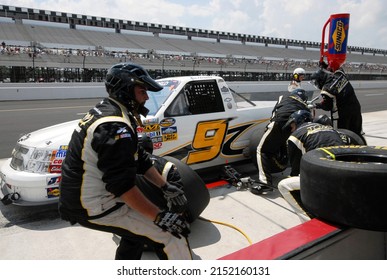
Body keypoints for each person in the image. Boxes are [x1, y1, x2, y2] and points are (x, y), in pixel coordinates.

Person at [58, 62, 192, 260]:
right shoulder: (114, 126)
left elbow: (139, 159)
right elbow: (122, 187)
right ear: (126, 90)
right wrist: (159, 216)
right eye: (142, 90)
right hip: (90, 203)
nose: (146, 96)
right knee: (172, 236)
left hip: (84, 197)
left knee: (136, 234)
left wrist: (165, 186)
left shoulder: (109, 110)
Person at [277, 110, 346, 221]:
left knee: (284, 186)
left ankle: (309, 220)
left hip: (328, 179)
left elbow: (296, 169)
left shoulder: (295, 137)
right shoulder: (329, 129)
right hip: (346, 173)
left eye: (292, 125)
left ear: (299, 121)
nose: (291, 129)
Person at [252, 88, 311, 195]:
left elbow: (275, 112)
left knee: (262, 150)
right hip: (296, 128)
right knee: (298, 152)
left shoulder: (283, 97)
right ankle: (296, 178)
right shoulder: (306, 107)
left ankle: (265, 182)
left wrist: (269, 126)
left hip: (280, 122)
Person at [310, 66, 363, 139]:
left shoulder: (326, 90)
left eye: (316, 83)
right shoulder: (340, 75)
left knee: (340, 135)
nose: (316, 85)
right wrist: (326, 65)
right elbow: (338, 68)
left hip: (342, 115)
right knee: (356, 134)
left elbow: (328, 106)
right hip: (356, 109)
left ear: (320, 80)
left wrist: (316, 105)